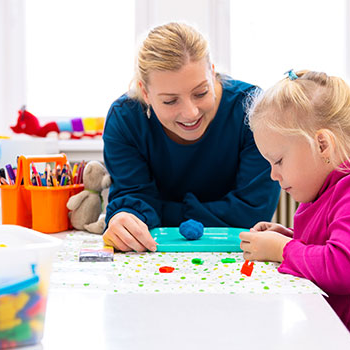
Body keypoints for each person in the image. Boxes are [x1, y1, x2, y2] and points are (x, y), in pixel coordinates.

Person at [240, 69, 350, 349]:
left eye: (278, 161)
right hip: (323, 325)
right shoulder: (328, 184)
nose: (272, 175)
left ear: (322, 144)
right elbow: (330, 242)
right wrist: (290, 237)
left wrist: (281, 249)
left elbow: (344, 269)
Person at [102, 22, 280, 252]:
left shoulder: (253, 110)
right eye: (170, 100)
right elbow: (132, 200)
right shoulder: (125, 120)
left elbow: (252, 213)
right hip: (154, 256)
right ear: (145, 93)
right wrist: (124, 219)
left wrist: (159, 212)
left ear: (212, 73)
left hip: (238, 253)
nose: (191, 113)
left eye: (201, 92)